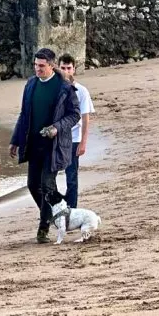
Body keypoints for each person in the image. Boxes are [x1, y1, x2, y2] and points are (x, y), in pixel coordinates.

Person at [9, 48, 80, 244]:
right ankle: (53, 214)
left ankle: (43, 227)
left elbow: (75, 115)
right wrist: (15, 140)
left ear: (51, 66)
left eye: (41, 66)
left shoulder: (64, 87)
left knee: (47, 185)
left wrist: (57, 127)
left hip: (54, 145)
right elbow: (24, 115)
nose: (37, 69)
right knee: (33, 185)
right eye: (35, 65)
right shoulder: (31, 84)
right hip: (33, 144)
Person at [58, 53, 96, 209]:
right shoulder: (53, 88)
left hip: (73, 138)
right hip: (55, 137)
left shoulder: (81, 91)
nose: (66, 71)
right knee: (48, 176)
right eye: (63, 68)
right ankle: (57, 204)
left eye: (69, 68)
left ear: (74, 69)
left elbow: (85, 118)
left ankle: (71, 209)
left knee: (71, 177)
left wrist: (83, 142)